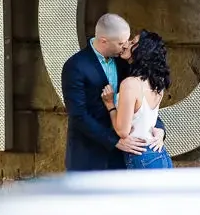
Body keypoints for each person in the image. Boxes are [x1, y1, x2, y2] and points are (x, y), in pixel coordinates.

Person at [61, 13, 166, 172]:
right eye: (121, 43)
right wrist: (114, 141)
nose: (125, 47)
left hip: (123, 158)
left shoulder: (126, 61)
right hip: (88, 157)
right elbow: (78, 114)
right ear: (104, 41)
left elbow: (140, 102)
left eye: (127, 41)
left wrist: (160, 129)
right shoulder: (75, 66)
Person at [101, 30, 174, 169]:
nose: (127, 43)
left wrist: (110, 104)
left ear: (142, 51)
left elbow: (123, 131)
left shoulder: (130, 84)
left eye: (133, 42)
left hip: (142, 157)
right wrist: (160, 131)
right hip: (159, 155)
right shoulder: (157, 83)